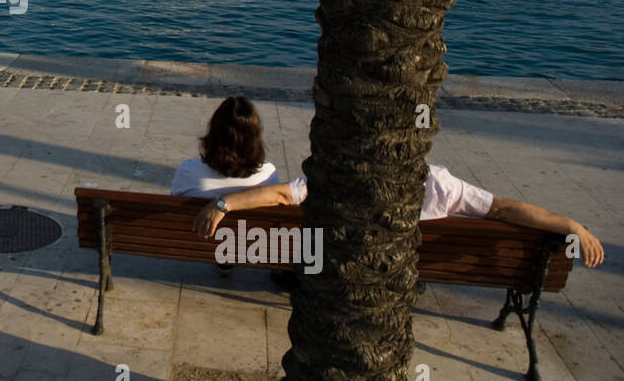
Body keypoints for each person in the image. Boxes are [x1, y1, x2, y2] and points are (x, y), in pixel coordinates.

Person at [190, 163, 605, 268]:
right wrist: (570, 224)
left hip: (334, 265)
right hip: (409, 269)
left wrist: (223, 203)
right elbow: (504, 209)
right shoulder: (441, 184)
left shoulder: (344, 171)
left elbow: (282, 195)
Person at [171, 96, 279, 273]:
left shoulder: (187, 170)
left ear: (213, 133)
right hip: (251, 245)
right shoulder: (268, 175)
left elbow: (174, 205)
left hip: (199, 243)